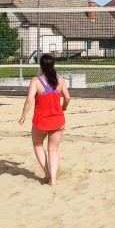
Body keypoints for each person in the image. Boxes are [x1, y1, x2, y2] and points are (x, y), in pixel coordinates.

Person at [18, 54, 71, 185]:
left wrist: (23, 116)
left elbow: (29, 100)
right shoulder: (60, 79)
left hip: (41, 121)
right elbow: (68, 98)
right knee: (53, 150)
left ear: (41, 66)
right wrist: (63, 107)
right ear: (53, 65)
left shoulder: (36, 80)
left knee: (37, 145)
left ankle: (47, 173)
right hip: (58, 120)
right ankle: (53, 179)